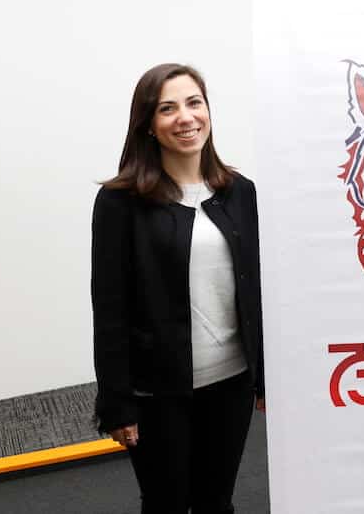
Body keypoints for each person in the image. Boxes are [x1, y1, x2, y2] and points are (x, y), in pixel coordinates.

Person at [91, 63, 265, 513]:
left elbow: (256, 291)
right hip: (156, 390)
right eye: (167, 108)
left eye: (194, 103)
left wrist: (264, 377)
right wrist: (117, 401)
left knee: (216, 502)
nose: (185, 117)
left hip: (231, 381)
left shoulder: (240, 192)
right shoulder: (120, 202)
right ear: (148, 124)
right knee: (166, 503)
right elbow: (110, 307)